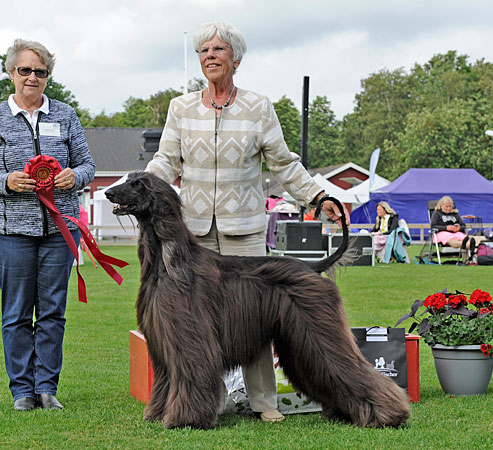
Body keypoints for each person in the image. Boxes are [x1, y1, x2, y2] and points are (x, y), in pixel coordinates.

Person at [145, 21, 349, 423]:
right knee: (196, 325)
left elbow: (284, 164)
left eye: (218, 50)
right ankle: (207, 401)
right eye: (204, 51)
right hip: (196, 236)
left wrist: (318, 196)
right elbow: (165, 161)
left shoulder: (258, 108)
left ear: (235, 59)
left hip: (245, 230)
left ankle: (264, 402)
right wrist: (143, 187)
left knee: (254, 316)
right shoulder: (181, 108)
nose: (210, 57)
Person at [0, 38, 95, 412]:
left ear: (47, 77)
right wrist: (5, 181)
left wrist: (76, 177)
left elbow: (87, 165)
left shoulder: (65, 115)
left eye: (41, 72)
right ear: (11, 74)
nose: (33, 78)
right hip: (10, 234)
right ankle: (22, 391)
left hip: (61, 231)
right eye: (25, 70)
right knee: (17, 314)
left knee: (54, 312)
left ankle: (47, 389)